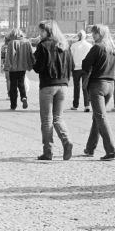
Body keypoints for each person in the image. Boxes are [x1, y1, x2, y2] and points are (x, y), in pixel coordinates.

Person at [32, 21, 73, 161]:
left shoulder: (43, 46)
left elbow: (38, 68)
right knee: (58, 118)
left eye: (42, 31)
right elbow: (71, 65)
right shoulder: (65, 45)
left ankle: (48, 152)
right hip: (63, 85)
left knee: (46, 120)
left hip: (48, 85)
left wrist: (33, 58)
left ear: (48, 31)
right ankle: (67, 142)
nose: (40, 33)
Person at [81, 24, 115, 160]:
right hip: (110, 85)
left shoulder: (97, 47)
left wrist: (90, 68)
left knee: (101, 117)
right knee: (97, 117)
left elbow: (85, 64)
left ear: (100, 34)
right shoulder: (113, 49)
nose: (92, 36)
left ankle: (111, 151)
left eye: (94, 33)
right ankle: (90, 148)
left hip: (98, 85)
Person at [4, 28, 34, 110]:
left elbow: (9, 56)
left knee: (13, 85)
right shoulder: (26, 42)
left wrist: (7, 67)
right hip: (22, 67)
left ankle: (13, 105)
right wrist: (31, 64)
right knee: (21, 83)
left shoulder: (11, 43)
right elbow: (31, 54)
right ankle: (24, 97)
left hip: (13, 68)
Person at [70, 31, 92, 112]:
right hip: (86, 69)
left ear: (78, 36)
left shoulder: (74, 45)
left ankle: (75, 105)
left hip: (76, 68)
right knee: (85, 87)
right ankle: (87, 105)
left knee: (76, 87)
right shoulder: (89, 45)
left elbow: (70, 57)